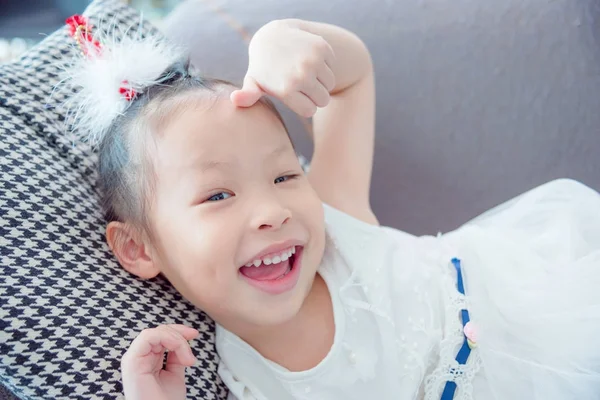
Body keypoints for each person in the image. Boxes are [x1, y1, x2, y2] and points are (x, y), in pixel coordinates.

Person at [61, 13, 600, 400]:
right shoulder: (249, 381)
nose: (272, 210)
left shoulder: (337, 220)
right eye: (218, 195)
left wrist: (286, 38)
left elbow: (352, 76)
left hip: (535, 305)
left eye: (284, 174)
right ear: (138, 246)